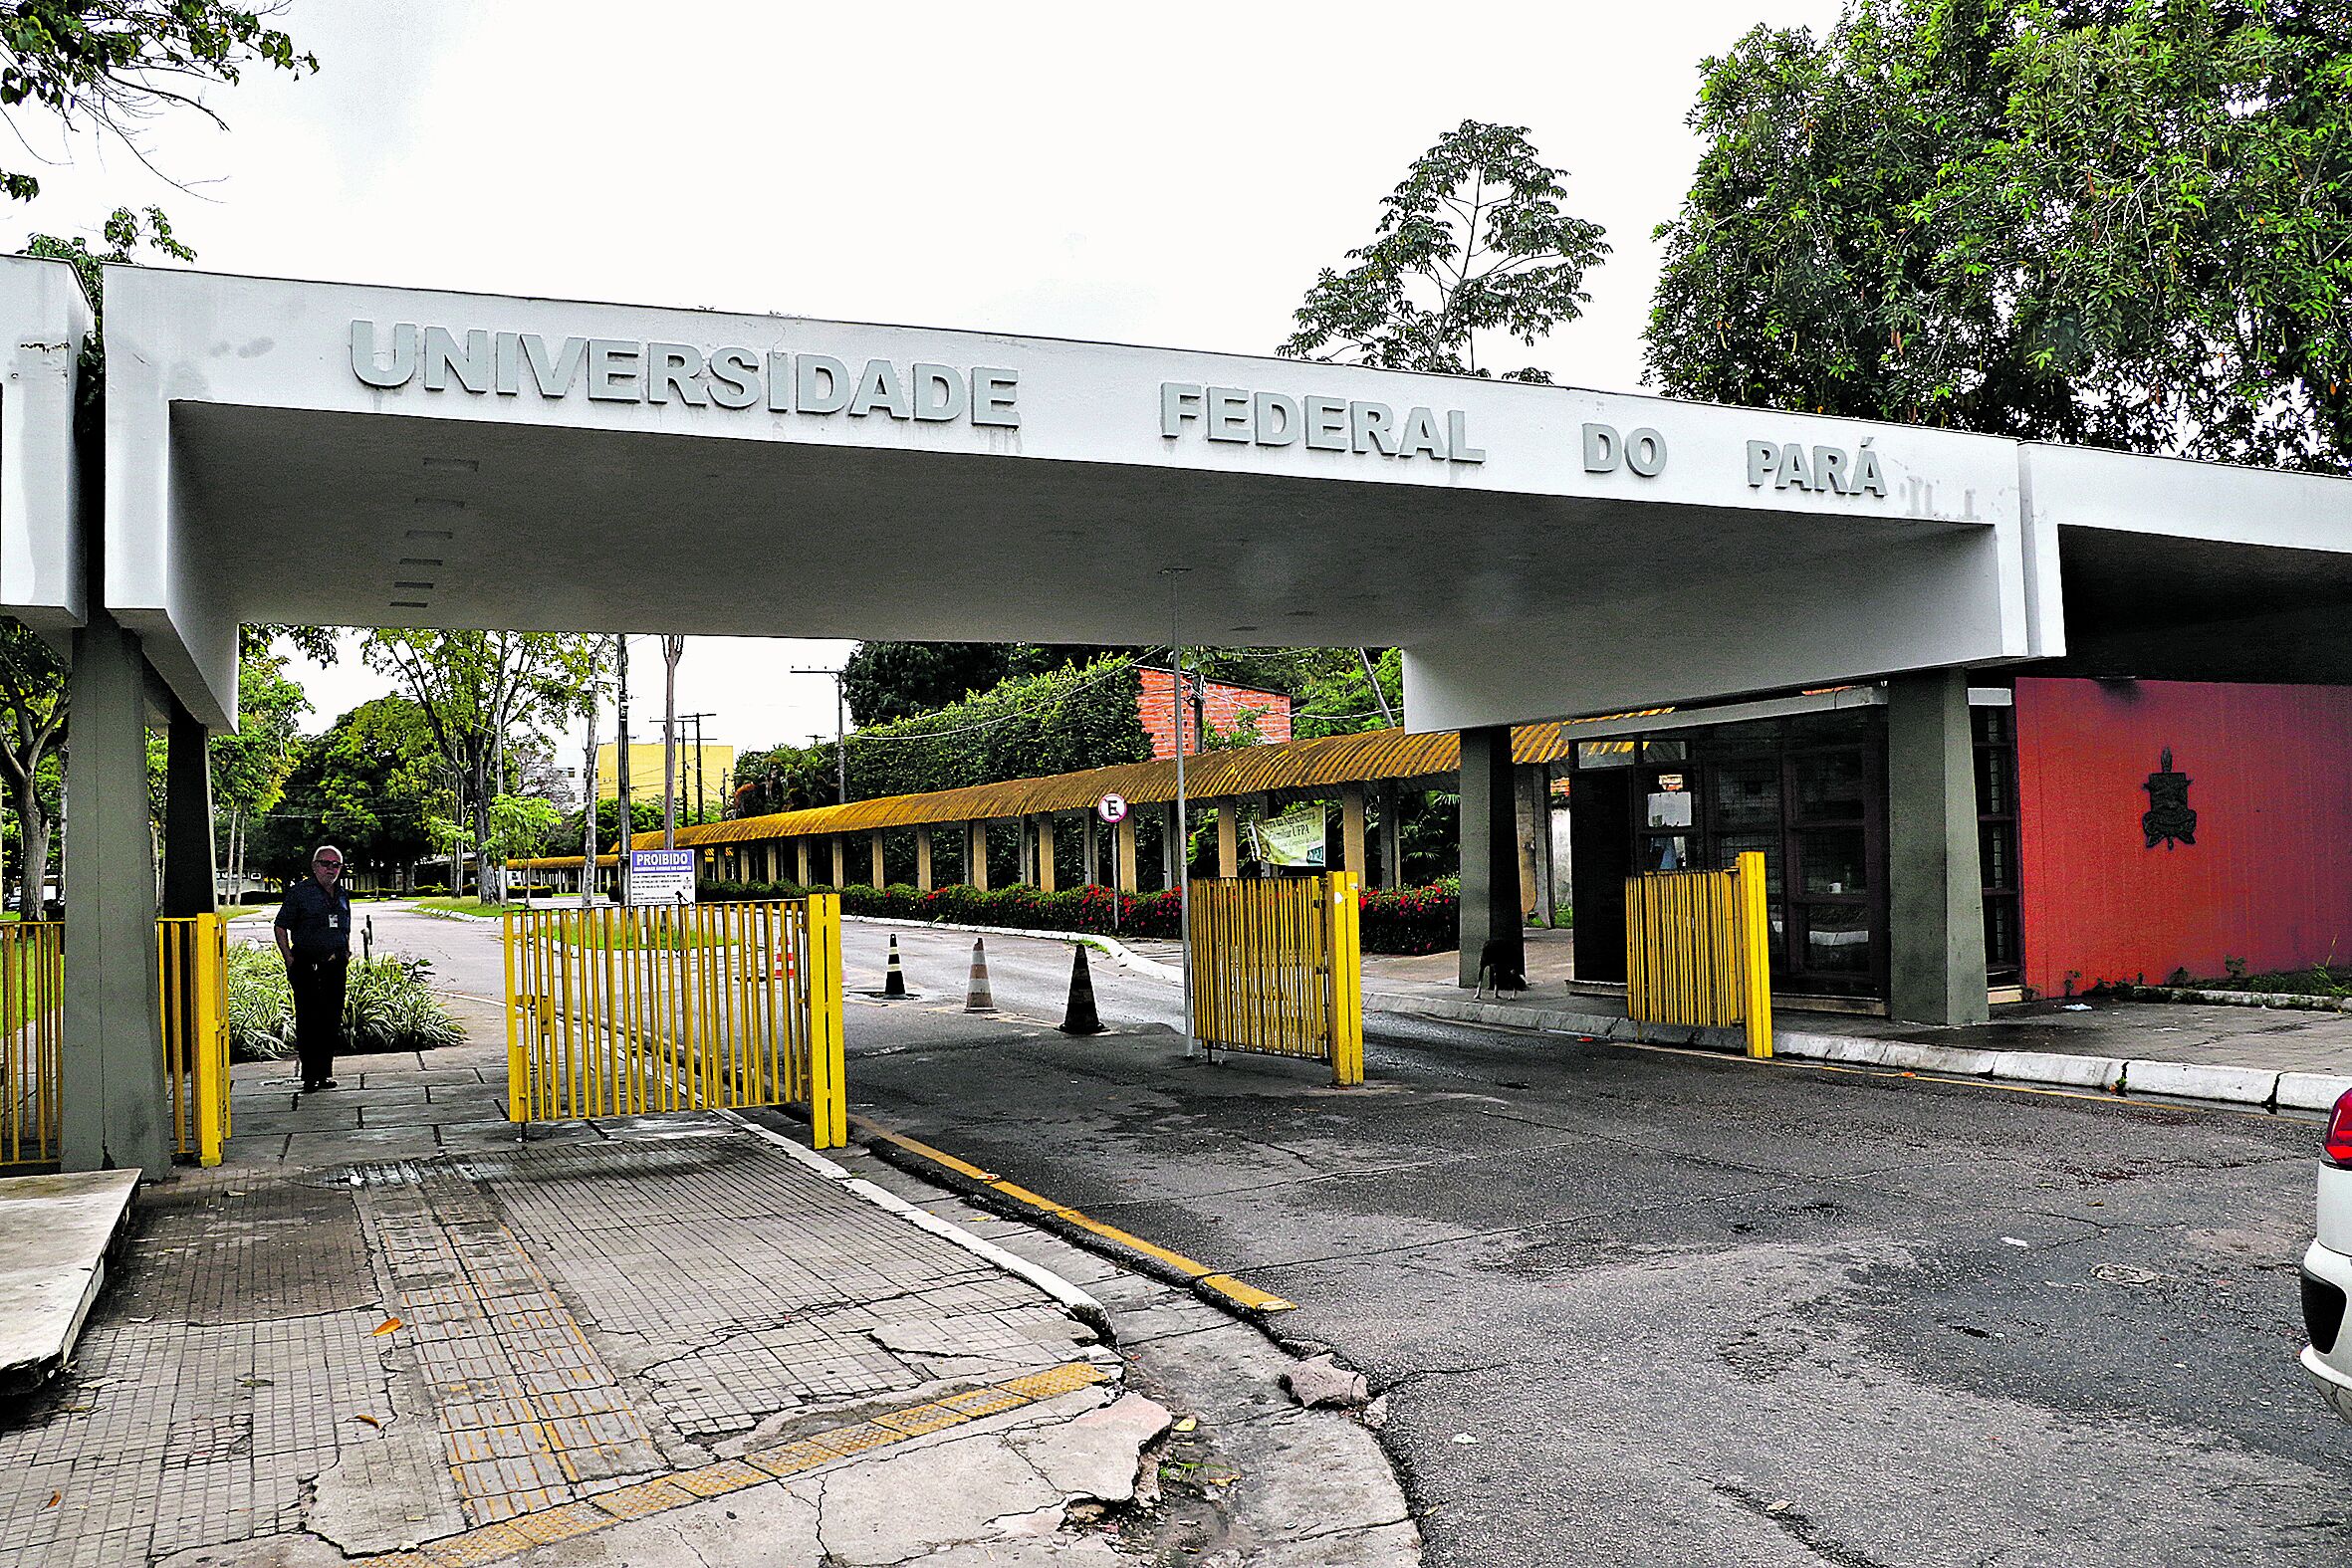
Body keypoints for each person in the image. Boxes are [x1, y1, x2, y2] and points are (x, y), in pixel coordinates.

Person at [275, 844, 353, 1092]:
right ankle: (309, 1076)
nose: (331, 869)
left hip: (335, 966)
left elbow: (344, 925)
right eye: (325, 863)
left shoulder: (341, 893)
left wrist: (345, 949)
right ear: (314, 866)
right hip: (307, 965)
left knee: (331, 1018)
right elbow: (280, 927)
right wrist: (289, 959)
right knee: (309, 1019)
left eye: (336, 864)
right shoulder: (300, 893)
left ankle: (324, 1073)